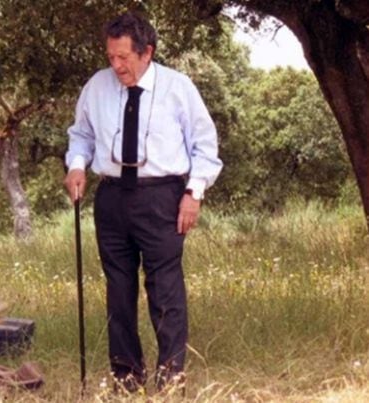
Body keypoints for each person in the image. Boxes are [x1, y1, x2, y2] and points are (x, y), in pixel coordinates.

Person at [63, 11, 223, 394]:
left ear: (146, 52)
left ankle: (171, 381)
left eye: (124, 57)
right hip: (112, 197)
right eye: (111, 57)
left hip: (162, 197)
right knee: (118, 292)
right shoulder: (97, 86)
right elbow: (80, 134)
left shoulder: (178, 88)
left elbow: (205, 147)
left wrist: (193, 193)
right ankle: (126, 380)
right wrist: (77, 165)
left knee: (165, 291)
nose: (115, 65)